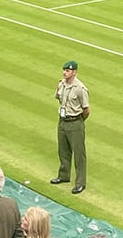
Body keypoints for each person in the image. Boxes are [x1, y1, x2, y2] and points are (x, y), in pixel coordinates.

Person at [51, 60, 89, 194]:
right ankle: (64, 175)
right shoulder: (61, 84)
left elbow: (86, 109)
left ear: (74, 72)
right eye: (64, 70)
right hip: (62, 121)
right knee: (63, 151)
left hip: (75, 122)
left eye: (67, 70)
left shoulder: (80, 89)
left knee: (79, 155)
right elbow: (58, 98)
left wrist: (78, 121)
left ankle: (80, 183)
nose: (64, 72)